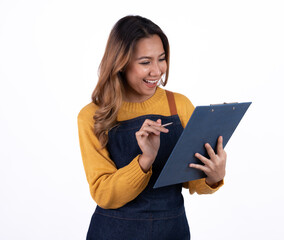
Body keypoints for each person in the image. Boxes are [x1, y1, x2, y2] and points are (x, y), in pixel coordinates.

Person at [77, 15, 227, 240]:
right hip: (114, 233)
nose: (157, 71)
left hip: (172, 231)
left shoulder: (179, 105)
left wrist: (213, 176)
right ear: (120, 63)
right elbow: (103, 194)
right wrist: (144, 161)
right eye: (145, 62)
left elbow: (192, 180)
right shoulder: (93, 116)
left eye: (162, 59)